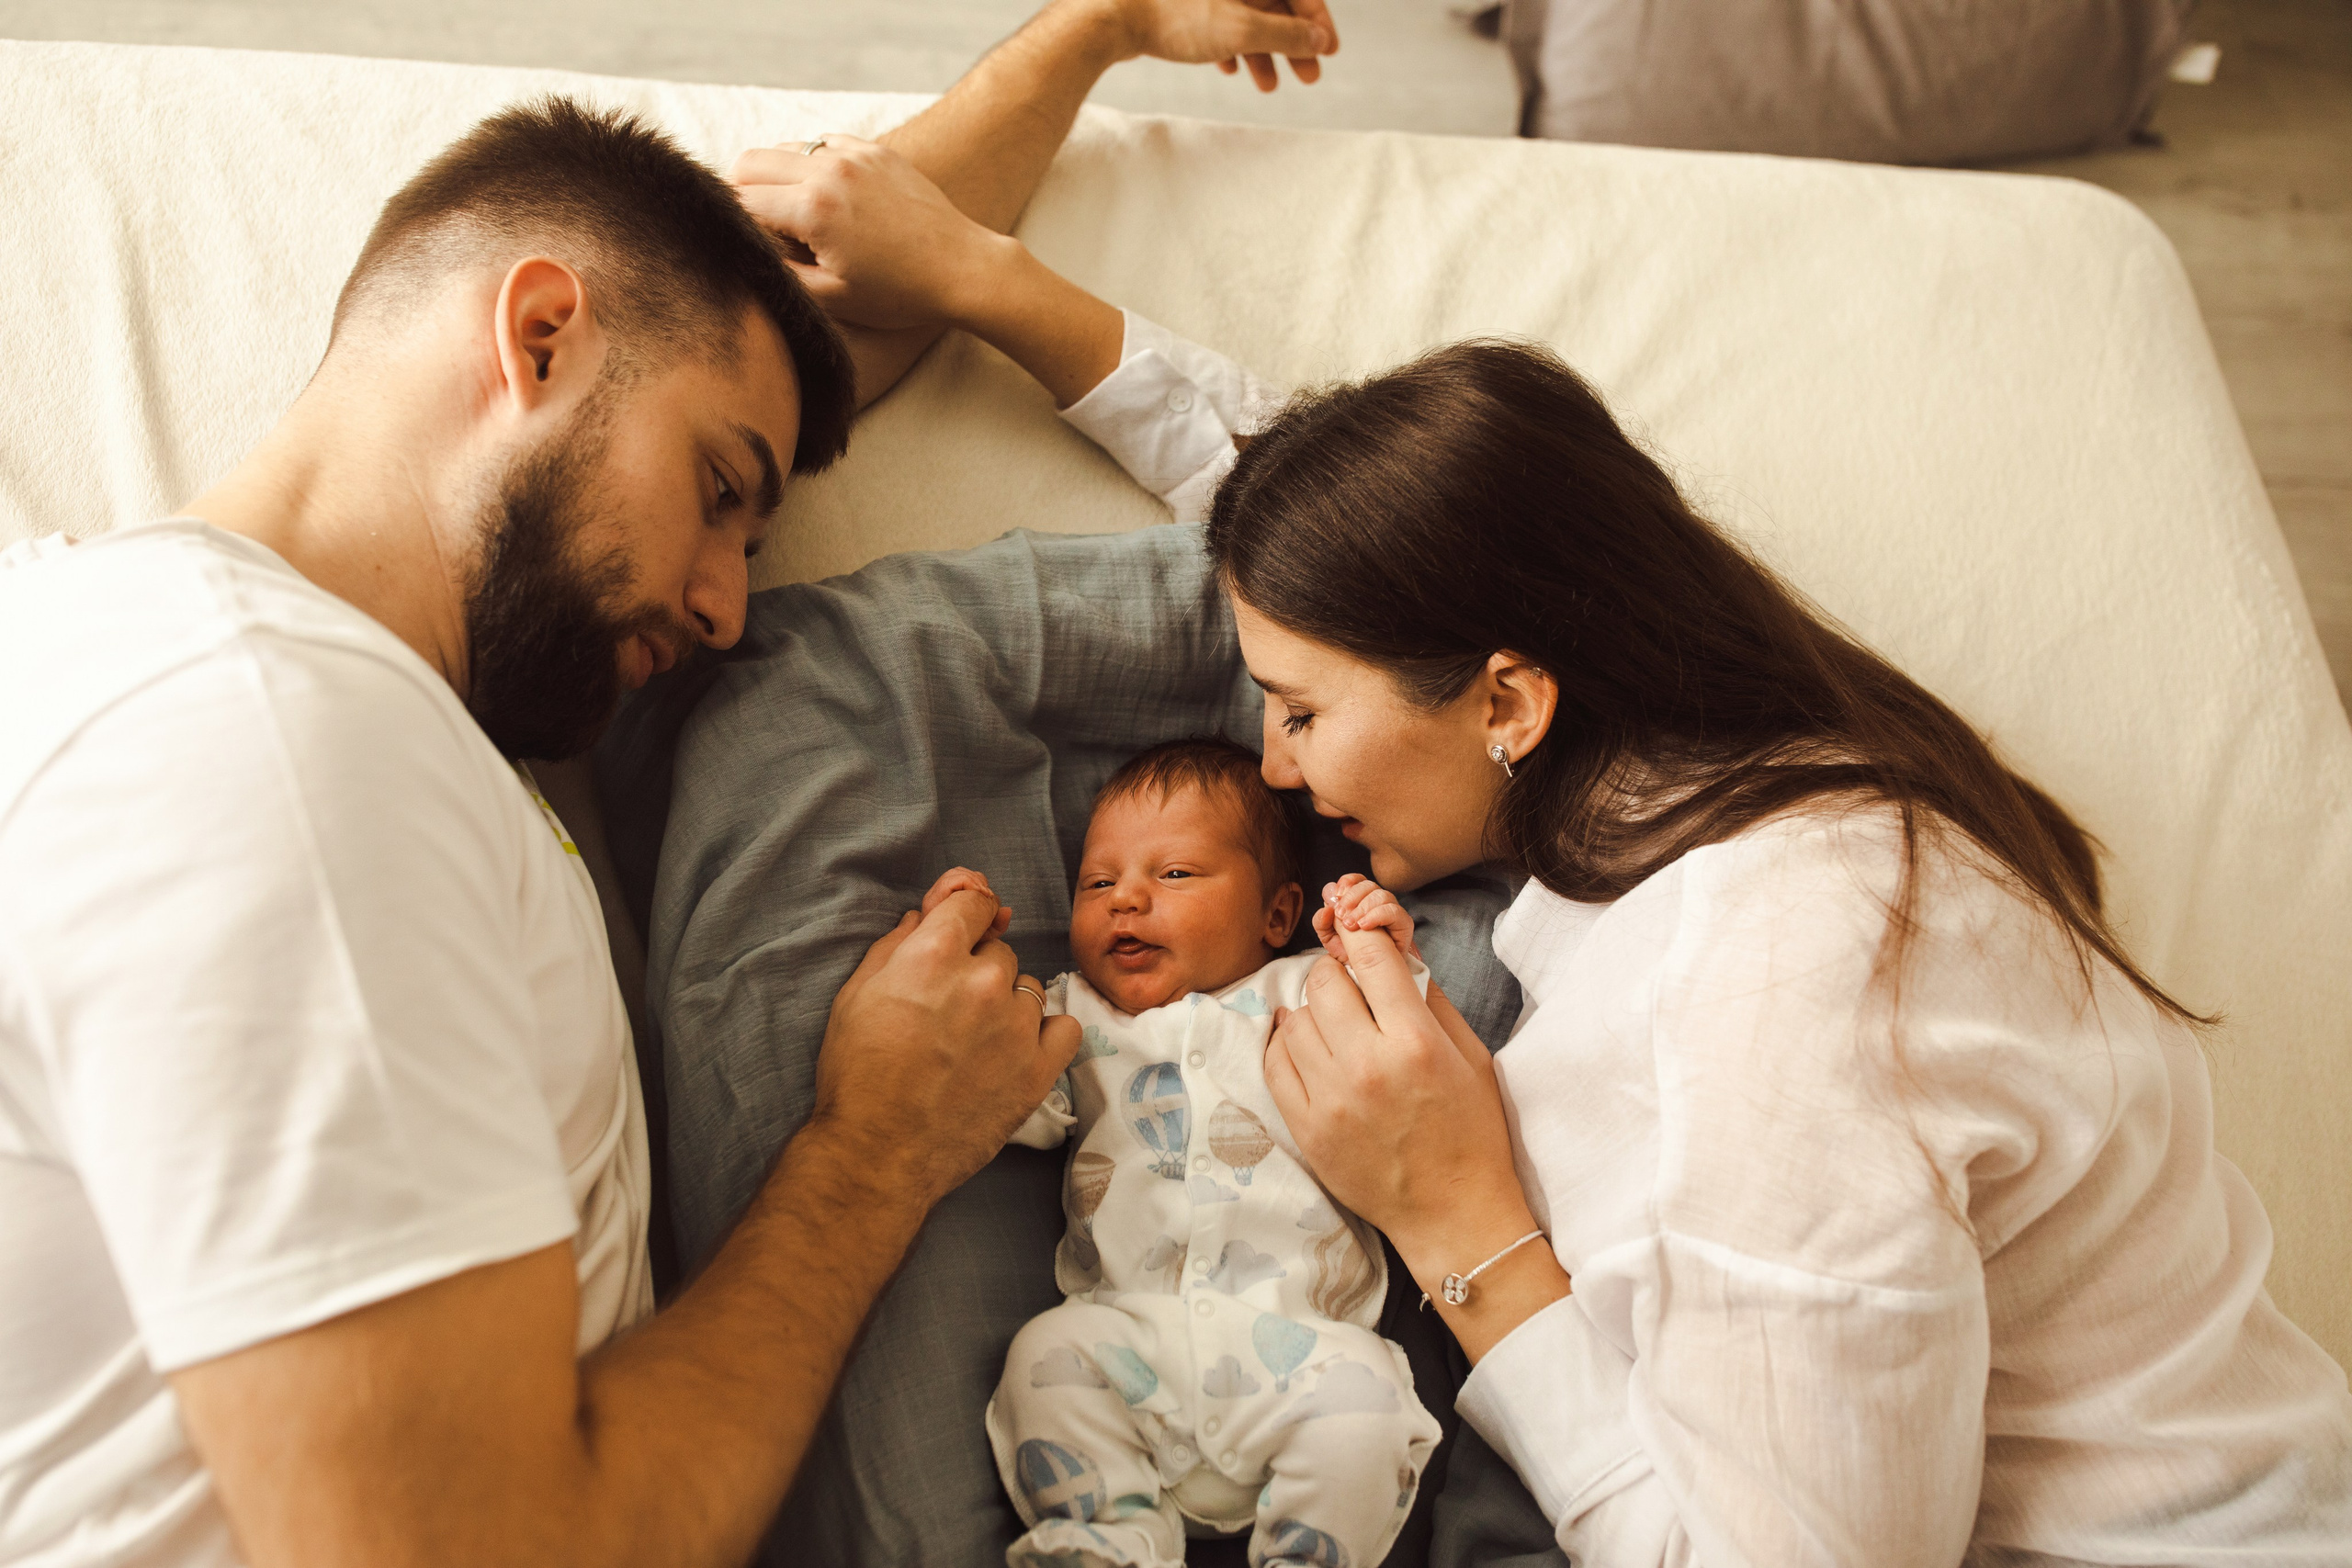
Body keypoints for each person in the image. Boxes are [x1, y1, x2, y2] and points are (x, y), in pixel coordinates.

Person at [746, 141, 2352, 1563]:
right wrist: (985, 283)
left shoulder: (1787, 986)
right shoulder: (1686, 761)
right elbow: (1334, 520)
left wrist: (1456, 1221)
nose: (1272, 760)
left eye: (1299, 710)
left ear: (1507, 696)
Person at [0, 3, 1341, 1564]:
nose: (724, 602)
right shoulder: (280, 745)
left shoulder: (185, 658)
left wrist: (1088, 37)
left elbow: (763, 299)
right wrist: (869, 1157)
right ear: (537, 335)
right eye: (720, 498)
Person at [935, 739, 1442, 1568]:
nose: (1125, 899)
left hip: (1300, 1343)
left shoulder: (1304, 988)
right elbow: (996, 1098)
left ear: (1277, 915)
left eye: (1173, 875)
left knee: (1372, 1398)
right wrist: (968, 963)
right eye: (1098, 882)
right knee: (1041, 1358)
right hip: (1132, 1340)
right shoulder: (1073, 1017)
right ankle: (1107, 1541)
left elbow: (1402, 1045)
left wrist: (1383, 947)